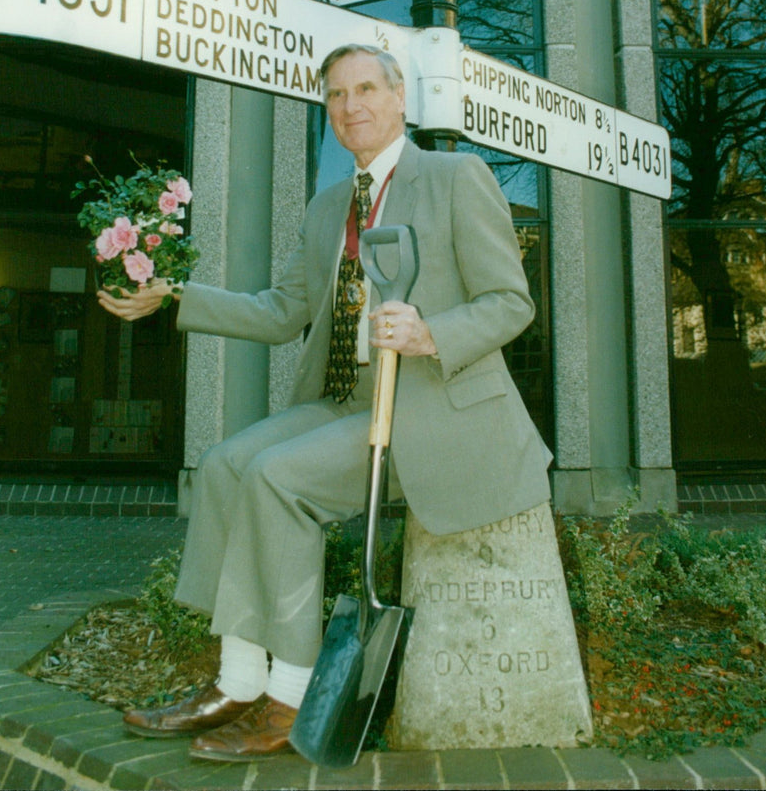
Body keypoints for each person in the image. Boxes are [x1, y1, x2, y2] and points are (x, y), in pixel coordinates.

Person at [97, 43, 552, 761]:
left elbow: (510, 300)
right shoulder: (327, 207)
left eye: (367, 88)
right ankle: (238, 681)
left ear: (401, 97)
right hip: (347, 402)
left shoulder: (455, 177)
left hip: (427, 413)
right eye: (336, 95)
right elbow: (283, 311)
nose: (352, 106)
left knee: (278, 479)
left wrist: (432, 330)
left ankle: (293, 696)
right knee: (224, 464)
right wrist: (173, 297)